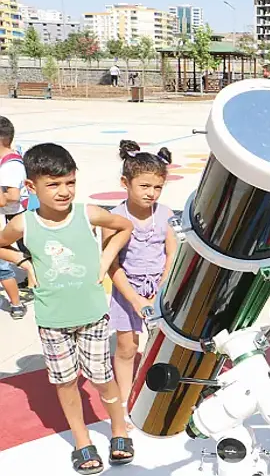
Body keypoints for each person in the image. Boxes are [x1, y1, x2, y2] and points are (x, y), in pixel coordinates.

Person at [0, 143, 136, 474]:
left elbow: (124, 227)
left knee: (103, 379)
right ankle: (82, 440)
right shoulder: (23, 224)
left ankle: (119, 428)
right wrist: (23, 261)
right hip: (52, 320)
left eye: (70, 182)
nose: (64, 191)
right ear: (31, 187)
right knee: (65, 383)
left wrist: (105, 258)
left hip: (92, 315)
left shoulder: (88, 213)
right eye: (54, 184)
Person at [105, 140, 177, 410]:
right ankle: (125, 399)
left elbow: (172, 254)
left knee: (161, 345)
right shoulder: (114, 218)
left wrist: (162, 288)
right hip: (127, 293)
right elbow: (112, 265)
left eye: (157, 187)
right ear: (125, 183)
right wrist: (134, 299)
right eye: (144, 186)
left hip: (160, 290)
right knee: (126, 347)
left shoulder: (166, 215)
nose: (151, 193)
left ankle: (155, 394)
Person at [0, 116, 29, 319]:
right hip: (13, 213)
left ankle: (39, 280)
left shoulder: (10, 166)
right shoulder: (8, 159)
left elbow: (11, 197)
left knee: (25, 248)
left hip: (18, 213)